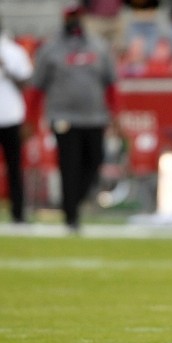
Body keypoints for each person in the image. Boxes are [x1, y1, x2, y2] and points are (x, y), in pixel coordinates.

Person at [26, 3, 120, 232]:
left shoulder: (98, 46)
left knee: (95, 161)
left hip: (95, 117)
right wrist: (30, 118)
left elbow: (111, 85)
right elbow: (36, 88)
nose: (74, 22)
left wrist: (115, 114)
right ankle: (71, 217)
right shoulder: (50, 49)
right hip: (63, 117)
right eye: (71, 17)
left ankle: (72, 203)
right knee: (69, 166)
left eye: (77, 17)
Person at [0, 16, 34, 224]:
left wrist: (6, 68)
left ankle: (18, 213)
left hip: (11, 116)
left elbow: (26, 83)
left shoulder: (14, 51)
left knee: (15, 168)